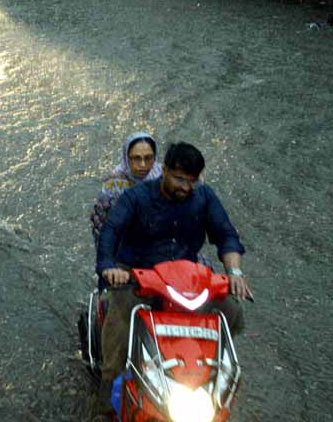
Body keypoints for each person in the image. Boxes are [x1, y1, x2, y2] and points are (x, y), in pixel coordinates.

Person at [96, 142, 251, 412]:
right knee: (121, 317)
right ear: (164, 171)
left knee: (232, 310)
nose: (186, 187)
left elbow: (226, 235)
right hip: (138, 276)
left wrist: (234, 273)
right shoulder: (137, 197)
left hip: (185, 279)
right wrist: (110, 267)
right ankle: (106, 396)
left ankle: (216, 375)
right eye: (179, 179)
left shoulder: (204, 197)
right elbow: (111, 231)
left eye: (192, 181)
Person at [90, 132, 162, 246]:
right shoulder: (113, 186)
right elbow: (101, 227)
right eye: (136, 158)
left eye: (148, 158)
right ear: (126, 158)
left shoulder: (164, 178)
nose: (143, 165)